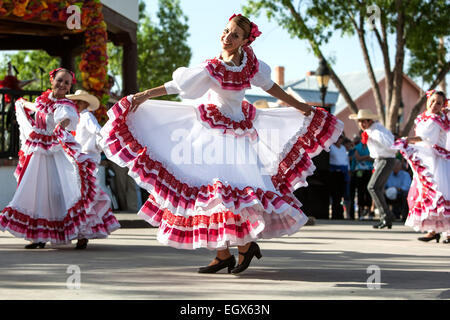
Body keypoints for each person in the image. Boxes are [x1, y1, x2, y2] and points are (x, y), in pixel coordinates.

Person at [100, 14, 344, 274]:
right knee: (213, 195)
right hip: (211, 133)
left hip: (237, 136)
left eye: (234, 35)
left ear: (244, 41)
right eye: (226, 31)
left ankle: (239, 248)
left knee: (230, 193)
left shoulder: (250, 64)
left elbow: (273, 89)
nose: (227, 37)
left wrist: (303, 107)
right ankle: (227, 252)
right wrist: (142, 95)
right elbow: (177, 85)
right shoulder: (212, 67)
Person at [0, 68, 119, 249]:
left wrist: (61, 125)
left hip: (58, 152)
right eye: (60, 81)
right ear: (52, 81)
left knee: (69, 190)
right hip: (39, 154)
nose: (62, 85)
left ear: (70, 87)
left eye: (66, 83)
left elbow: (67, 117)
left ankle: (81, 232)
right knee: (38, 192)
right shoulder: (42, 101)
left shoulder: (66, 105)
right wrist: (22, 103)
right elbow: (35, 107)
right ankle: (39, 236)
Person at [66, 89, 121, 248]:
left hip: (87, 160)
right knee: (80, 196)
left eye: (77, 102)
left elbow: (99, 133)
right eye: (74, 102)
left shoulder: (87, 117)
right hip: (79, 160)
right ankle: (81, 232)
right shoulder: (77, 119)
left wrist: (101, 148)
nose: (75, 104)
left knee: (85, 197)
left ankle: (83, 233)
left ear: (84, 103)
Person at [394, 90, 449, 243]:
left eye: (438, 103)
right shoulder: (425, 118)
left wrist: (406, 139)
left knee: (439, 194)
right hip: (428, 158)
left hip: (437, 160)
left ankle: (444, 232)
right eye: (432, 101)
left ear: (442, 105)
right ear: (427, 101)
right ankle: (434, 230)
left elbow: (426, 139)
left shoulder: (436, 120)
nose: (434, 105)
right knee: (430, 195)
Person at [349, 109, 396, 229]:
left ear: (370, 121)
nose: (361, 124)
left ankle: (386, 216)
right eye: (359, 121)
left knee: (372, 187)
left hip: (385, 159)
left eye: (363, 121)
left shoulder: (375, 131)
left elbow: (390, 144)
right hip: (382, 160)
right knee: (376, 188)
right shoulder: (373, 130)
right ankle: (386, 217)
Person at [353, 133, 374, 220]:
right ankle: (360, 212)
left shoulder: (371, 146)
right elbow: (357, 158)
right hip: (359, 171)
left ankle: (369, 211)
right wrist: (367, 157)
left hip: (369, 170)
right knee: (360, 191)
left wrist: (363, 157)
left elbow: (373, 157)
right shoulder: (358, 146)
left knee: (368, 190)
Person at [329, 135, 350, 219]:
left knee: (342, 193)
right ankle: (335, 214)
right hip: (334, 173)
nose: (339, 140)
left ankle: (340, 214)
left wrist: (348, 170)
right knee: (335, 194)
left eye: (340, 138)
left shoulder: (343, 148)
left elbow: (346, 160)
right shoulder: (331, 147)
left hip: (343, 173)